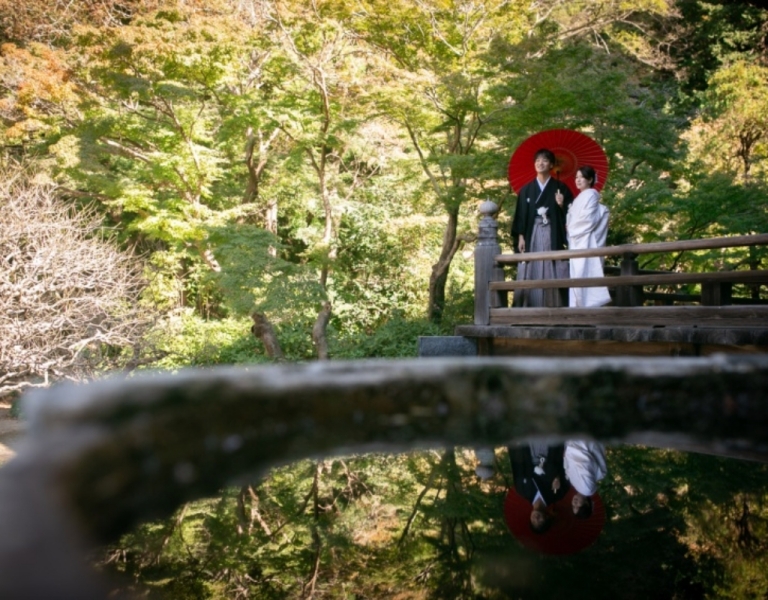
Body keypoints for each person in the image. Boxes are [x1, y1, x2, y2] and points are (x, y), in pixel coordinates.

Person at [511, 148, 573, 307]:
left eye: (545, 160)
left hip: (552, 232)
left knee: (552, 262)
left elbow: (572, 213)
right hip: (532, 232)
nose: (540, 163)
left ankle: (555, 303)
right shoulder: (526, 190)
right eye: (538, 160)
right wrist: (521, 236)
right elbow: (520, 215)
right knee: (532, 264)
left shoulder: (560, 188)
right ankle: (530, 303)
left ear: (551, 165)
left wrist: (561, 205)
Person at [566, 166, 611, 307]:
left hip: (585, 240)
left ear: (590, 179)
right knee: (577, 275)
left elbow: (588, 220)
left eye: (582, 177)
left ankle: (588, 308)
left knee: (585, 273)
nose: (578, 180)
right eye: (576, 177)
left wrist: (571, 227)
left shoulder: (591, 195)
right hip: (576, 240)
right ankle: (578, 308)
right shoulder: (578, 197)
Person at [508, 442, 571, 533]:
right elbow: (568, 468)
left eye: (533, 521)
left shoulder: (522, 490)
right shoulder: (558, 494)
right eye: (540, 521)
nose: (536, 518)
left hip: (527, 447)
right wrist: (558, 476)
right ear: (547, 517)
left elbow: (516, 465)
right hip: (551, 449)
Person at [563, 440, 608, 519]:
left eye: (573, 506)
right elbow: (585, 463)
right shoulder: (587, 489)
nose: (574, 503)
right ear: (586, 504)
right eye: (578, 506)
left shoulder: (575, 485)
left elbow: (569, 467)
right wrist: (568, 452)